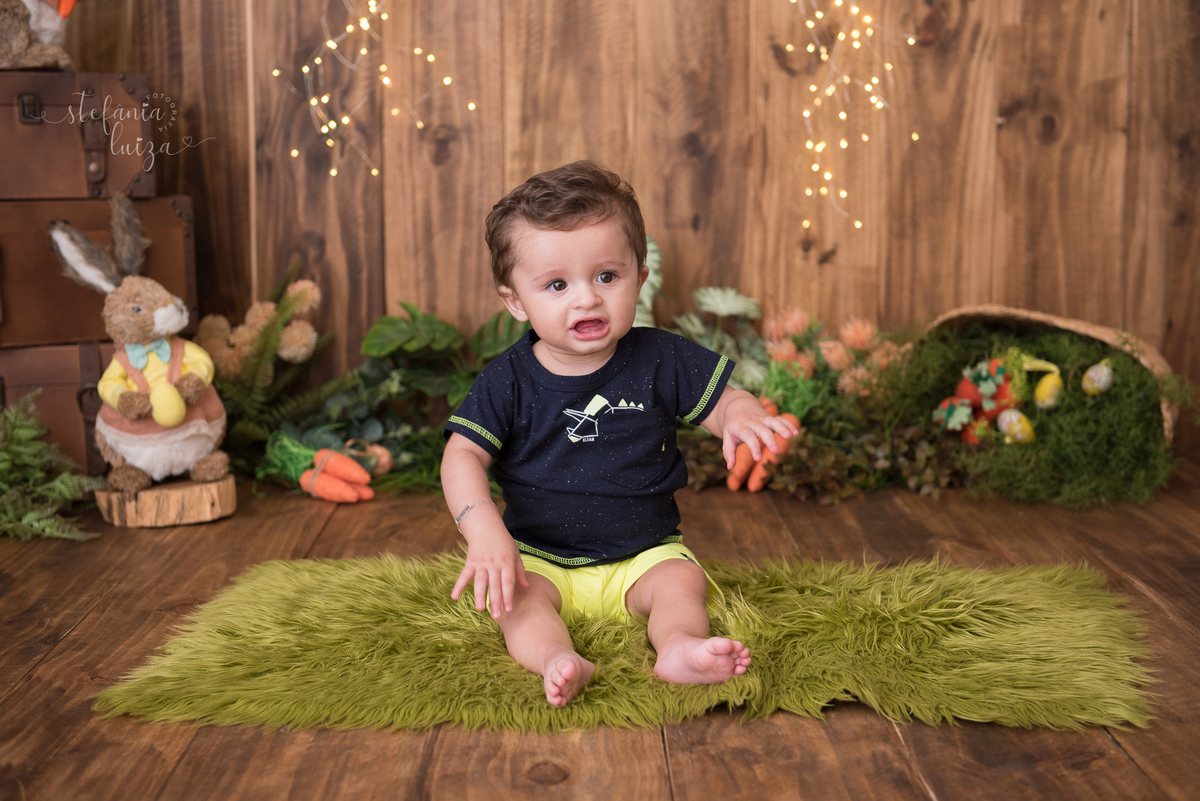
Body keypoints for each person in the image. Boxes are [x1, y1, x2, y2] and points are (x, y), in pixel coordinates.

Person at [441, 161, 798, 706]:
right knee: (517, 605)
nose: (586, 298)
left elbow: (725, 400)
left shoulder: (661, 357)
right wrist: (484, 530)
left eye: (607, 277)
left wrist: (741, 414)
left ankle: (678, 647)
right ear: (515, 300)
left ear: (640, 276)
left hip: (644, 555)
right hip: (540, 556)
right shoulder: (507, 380)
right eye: (556, 285)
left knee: (682, 584)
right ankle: (555, 658)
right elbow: (462, 454)